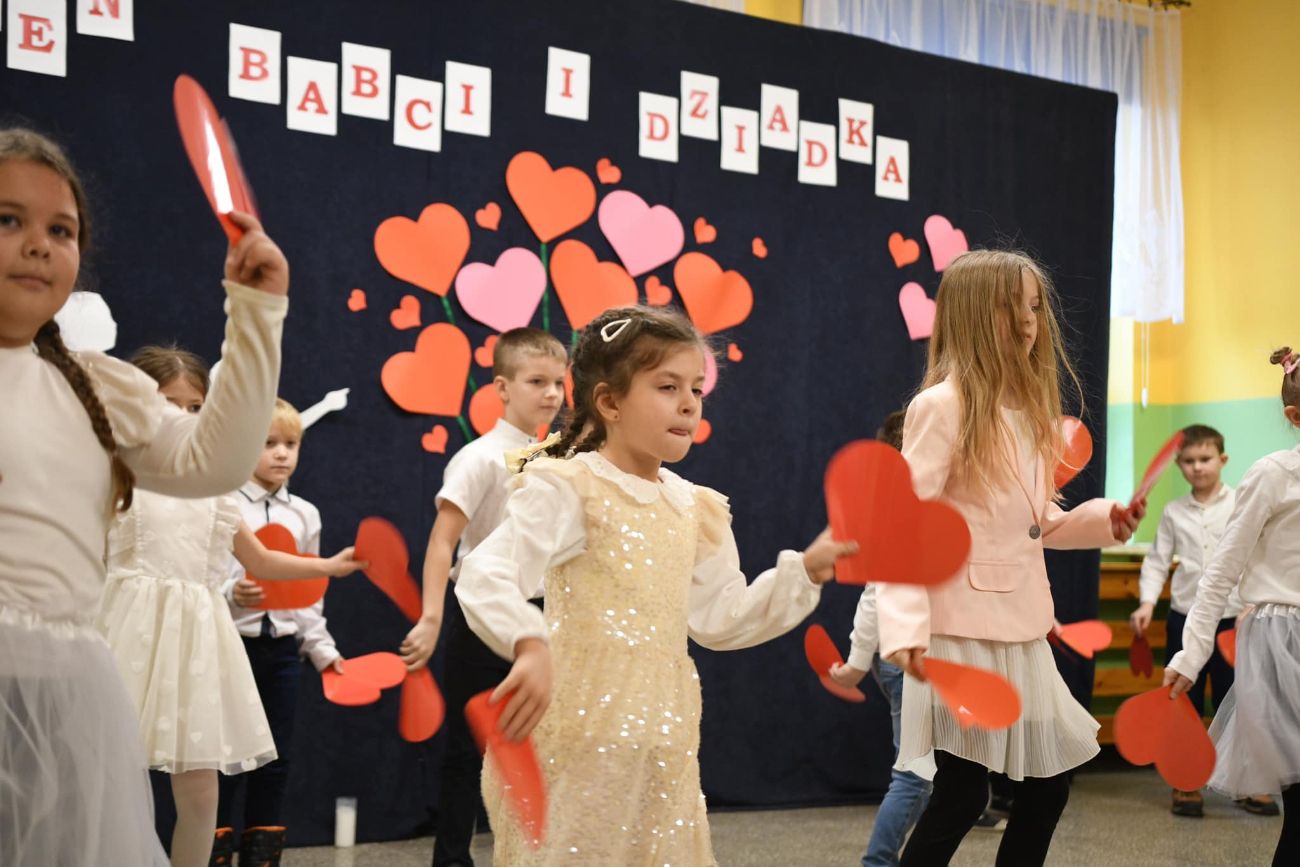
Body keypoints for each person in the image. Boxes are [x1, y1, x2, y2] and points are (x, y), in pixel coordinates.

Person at [455, 306, 857, 865]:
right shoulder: (572, 488)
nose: (689, 403)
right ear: (609, 402)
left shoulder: (692, 506)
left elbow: (720, 617)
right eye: (668, 387)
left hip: (665, 741)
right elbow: (484, 571)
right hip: (580, 741)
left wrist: (804, 572)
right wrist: (527, 640)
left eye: (696, 388)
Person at [0, 127, 288, 866]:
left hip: (62, 691)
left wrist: (255, 314)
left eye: (60, 230)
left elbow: (214, 460)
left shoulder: (93, 385)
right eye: (9, 219)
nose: (37, 245)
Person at [876, 250, 1141, 867]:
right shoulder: (941, 406)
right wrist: (905, 628)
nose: (1028, 321)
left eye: (1036, 306)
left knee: (1048, 788)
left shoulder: (1028, 416)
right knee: (963, 793)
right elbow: (903, 525)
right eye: (1010, 306)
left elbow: (1037, 522)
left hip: (1020, 632)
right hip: (959, 633)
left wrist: (1106, 520)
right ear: (972, 314)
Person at [98, 346, 363, 867]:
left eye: (195, 407)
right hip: (127, 635)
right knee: (109, 776)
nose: (181, 416)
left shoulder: (215, 491)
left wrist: (329, 566)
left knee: (201, 791)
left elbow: (261, 559)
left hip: (195, 644)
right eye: (167, 403)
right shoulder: (115, 474)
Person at [400, 327, 567, 867]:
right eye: (536, 381)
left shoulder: (557, 458)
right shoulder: (479, 458)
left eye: (558, 382)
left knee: (545, 740)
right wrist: (430, 617)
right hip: (481, 617)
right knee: (466, 750)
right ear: (501, 387)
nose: (551, 393)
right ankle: (453, 859)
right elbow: (442, 542)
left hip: (541, 617)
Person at [1165, 347, 1300, 866]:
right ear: (1295, 417)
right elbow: (1220, 571)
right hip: (1283, 644)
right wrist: (1191, 652)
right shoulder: (1273, 474)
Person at [216, 398, 349, 866]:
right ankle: (212, 852)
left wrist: (323, 650)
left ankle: (261, 857)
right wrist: (232, 593)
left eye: (290, 444)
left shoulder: (305, 514)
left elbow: (308, 592)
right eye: (268, 443)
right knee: (224, 755)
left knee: (274, 757)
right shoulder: (224, 506)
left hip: (282, 653)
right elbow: (202, 575)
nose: (280, 453)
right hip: (230, 647)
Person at [1130, 424, 1275, 816]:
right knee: (1183, 702)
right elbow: (1157, 562)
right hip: (1184, 620)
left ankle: (1246, 783)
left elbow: (1257, 556)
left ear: (1222, 460)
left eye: (1205, 459)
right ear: (1179, 465)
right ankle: (1185, 782)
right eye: (1189, 461)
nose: (1197, 467)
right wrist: (1146, 604)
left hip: (1233, 621)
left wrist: (1253, 603)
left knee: (1240, 701)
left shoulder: (1242, 503)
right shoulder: (1174, 512)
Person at [829, 409, 933, 867]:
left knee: (927, 775)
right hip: (904, 660)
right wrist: (856, 663)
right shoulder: (899, 513)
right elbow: (875, 595)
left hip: (911, 659)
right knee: (914, 774)